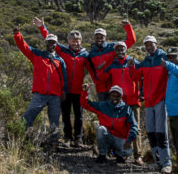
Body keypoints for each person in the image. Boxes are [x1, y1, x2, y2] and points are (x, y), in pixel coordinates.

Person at [33, 17, 93, 146]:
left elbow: (91, 70)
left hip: (78, 90)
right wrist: (42, 27)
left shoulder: (85, 54)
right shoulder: (63, 51)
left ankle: (78, 138)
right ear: (68, 41)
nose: (75, 43)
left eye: (77, 40)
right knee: (65, 114)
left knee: (79, 115)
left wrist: (88, 82)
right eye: (72, 41)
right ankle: (67, 137)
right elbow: (51, 40)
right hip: (65, 90)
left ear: (81, 41)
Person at [13, 26, 68, 144]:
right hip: (40, 93)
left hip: (55, 95)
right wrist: (17, 34)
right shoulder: (36, 55)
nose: (51, 44)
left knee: (54, 119)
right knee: (30, 113)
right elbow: (24, 47)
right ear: (45, 43)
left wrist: (64, 92)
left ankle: (54, 141)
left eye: (54, 43)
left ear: (56, 44)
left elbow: (64, 78)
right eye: (49, 42)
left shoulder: (60, 60)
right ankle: (16, 133)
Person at [98, 41, 144, 165]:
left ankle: (137, 155)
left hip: (133, 100)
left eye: (122, 48)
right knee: (121, 128)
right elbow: (102, 78)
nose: (120, 51)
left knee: (136, 128)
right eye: (117, 49)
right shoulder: (112, 64)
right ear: (115, 51)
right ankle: (122, 153)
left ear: (126, 49)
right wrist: (102, 67)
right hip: (120, 102)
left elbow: (142, 76)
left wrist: (142, 92)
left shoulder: (132, 61)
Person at [133, 35, 172, 174]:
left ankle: (167, 163)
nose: (149, 47)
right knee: (151, 133)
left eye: (151, 44)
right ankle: (157, 162)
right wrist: (133, 66)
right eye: (146, 45)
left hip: (160, 100)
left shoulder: (163, 57)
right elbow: (138, 77)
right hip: (148, 102)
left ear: (156, 44)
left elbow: (171, 73)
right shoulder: (146, 60)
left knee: (161, 134)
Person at [81, 83, 138, 164]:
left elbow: (134, 126)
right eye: (113, 95)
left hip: (119, 138)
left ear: (121, 97)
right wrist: (84, 92)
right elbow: (85, 104)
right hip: (107, 136)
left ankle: (118, 154)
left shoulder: (126, 109)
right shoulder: (102, 106)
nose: (115, 98)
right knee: (100, 129)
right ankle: (102, 155)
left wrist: (129, 141)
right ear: (109, 96)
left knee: (128, 151)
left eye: (117, 96)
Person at [88, 20, 136, 101]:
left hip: (114, 86)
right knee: (103, 111)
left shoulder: (113, 47)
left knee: (115, 110)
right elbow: (91, 69)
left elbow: (131, 41)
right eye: (97, 37)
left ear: (105, 37)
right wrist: (96, 81)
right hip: (101, 87)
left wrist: (128, 26)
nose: (99, 39)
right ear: (94, 38)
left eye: (101, 37)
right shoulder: (92, 53)